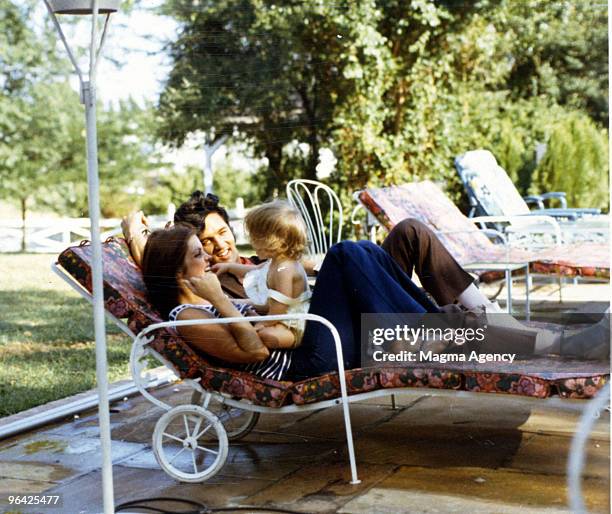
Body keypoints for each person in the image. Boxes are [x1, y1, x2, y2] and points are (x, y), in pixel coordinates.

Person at [122, 191, 493, 311]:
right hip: (333, 318)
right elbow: (156, 262)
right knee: (347, 253)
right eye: (205, 243)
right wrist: (133, 231)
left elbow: (303, 270)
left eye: (223, 233)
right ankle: (437, 321)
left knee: (410, 231)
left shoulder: (253, 262)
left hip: (344, 296)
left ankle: (486, 314)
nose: (220, 246)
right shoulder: (208, 282)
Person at [212, 201, 312, 349]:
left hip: (294, 324)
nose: (251, 242)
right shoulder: (275, 262)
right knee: (245, 309)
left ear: (275, 240)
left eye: (255, 237)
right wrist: (228, 267)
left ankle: (291, 342)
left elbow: (280, 308)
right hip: (278, 315)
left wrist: (262, 323)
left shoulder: (285, 269)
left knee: (265, 336)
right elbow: (255, 270)